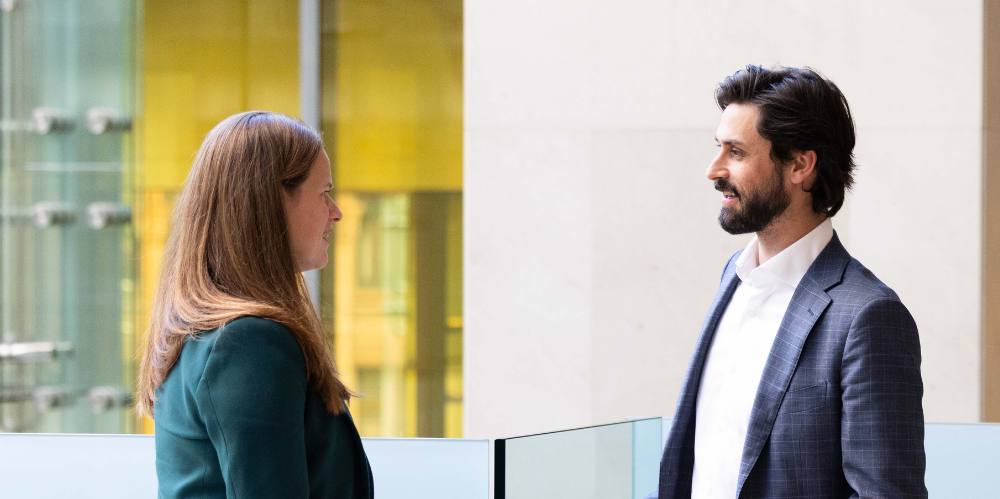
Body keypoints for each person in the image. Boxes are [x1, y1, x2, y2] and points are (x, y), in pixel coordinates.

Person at [654, 66, 927, 499]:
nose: (713, 169)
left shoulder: (867, 316)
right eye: (718, 148)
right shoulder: (733, 277)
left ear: (800, 164)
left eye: (736, 152)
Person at [137, 111, 373, 499]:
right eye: (323, 192)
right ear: (271, 200)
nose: (337, 212)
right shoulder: (247, 343)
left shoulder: (212, 333)